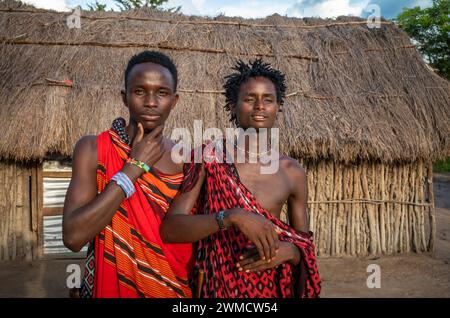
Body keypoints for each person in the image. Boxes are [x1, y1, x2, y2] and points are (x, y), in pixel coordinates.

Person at [160, 59, 321, 298]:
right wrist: (232, 216)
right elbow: (171, 229)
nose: (259, 106)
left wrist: (291, 251)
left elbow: (304, 246)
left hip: (270, 291)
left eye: (268, 99)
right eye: (249, 99)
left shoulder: (292, 171)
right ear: (233, 107)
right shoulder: (209, 158)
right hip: (215, 288)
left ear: (278, 107)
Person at [63, 51, 193, 298]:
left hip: (172, 289)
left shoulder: (186, 160)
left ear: (174, 101)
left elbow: (188, 240)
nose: (151, 102)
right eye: (140, 91)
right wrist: (134, 168)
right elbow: (73, 236)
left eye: (162, 93)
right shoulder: (93, 149)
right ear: (125, 97)